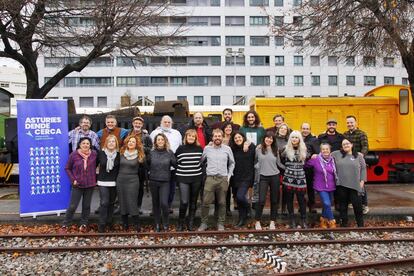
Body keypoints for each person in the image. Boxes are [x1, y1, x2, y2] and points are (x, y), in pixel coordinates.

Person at [198, 129, 235, 231]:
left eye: (219, 136)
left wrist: (229, 176)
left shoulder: (227, 149)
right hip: (210, 178)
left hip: (223, 179)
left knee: (222, 203)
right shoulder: (207, 149)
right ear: (212, 138)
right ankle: (204, 223)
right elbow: (201, 161)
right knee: (205, 202)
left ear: (222, 138)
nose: (217, 138)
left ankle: (220, 224)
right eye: (215, 136)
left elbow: (232, 163)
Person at [62, 137, 98, 232]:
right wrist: (73, 179)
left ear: (90, 145)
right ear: (79, 144)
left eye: (87, 144)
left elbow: (97, 165)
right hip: (77, 184)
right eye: (83, 143)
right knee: (72, 206)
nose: (86, 145)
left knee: (86, 206)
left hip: (90, 184)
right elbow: (67, 168)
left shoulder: (94, 154)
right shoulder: (74, 154)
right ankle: (66, 224)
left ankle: (84, 224)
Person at [150, 115, 182, 213]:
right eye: (165, 122)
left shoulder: (177, 133)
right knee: (156, 190)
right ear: (161, 122)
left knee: (171, 187)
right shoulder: (154, 133)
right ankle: (156, 208)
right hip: (157, 167)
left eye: (169, 122)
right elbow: (151, 147)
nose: (167, 124)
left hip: (172, 165)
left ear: (171, 123)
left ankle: (168, 206)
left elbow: (180, 147)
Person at [332, 139, 367, 227]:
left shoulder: (358, 156)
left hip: (355, 185)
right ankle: (344, 225)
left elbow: (363, 168)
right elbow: (325, 153)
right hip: (341, 185)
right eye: (344, 144)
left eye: (347, 143)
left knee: (357, 206)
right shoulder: (336, 154)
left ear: (351, 144)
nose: (346, 145)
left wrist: (362, 182)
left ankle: (360, 225)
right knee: (343, 206)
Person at [175, 129, 203, 231]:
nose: (191, 138)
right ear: (186, 137)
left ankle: (190, 222)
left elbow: (202, 162)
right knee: (184, 201)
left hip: (196, 178)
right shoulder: (180, 149)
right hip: (183, 177)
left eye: (193, 136)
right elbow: (175, 161)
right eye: (189, 136)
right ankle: (180, 222)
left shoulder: (200, 149)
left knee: (193, 202)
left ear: (195, 138)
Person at [147, 133, 177, 232]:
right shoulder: (151, 153)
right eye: (158, 140)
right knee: (155, 204)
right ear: (155, 142)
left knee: (164, 203)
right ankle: (157, 224)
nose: (160, 141)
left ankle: (165, 223)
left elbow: (175, 164)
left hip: (165, 181)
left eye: (162, 139)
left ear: (165, 141)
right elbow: (146, 165)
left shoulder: (169, 152)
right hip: (153, 180)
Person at [117, 135, 145, 232]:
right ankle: (125, 224)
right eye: (129, 141)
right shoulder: (121, 153)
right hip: (121, 180)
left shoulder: (140, 155)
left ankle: (136, 224)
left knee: (132, 201)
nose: (131, 143)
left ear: (136, 144)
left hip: (133, 180)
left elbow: (144, 169)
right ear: (126, 143)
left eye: (133, 141)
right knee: (122, 201)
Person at [280, 131, 308, 229]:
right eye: (292, 137)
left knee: (301, 200)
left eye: (296, 137)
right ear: (290, 139)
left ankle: (303, 220)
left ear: (299, 139)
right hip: (288, 178)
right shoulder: (285, 149)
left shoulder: (304, 149)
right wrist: (287, 169)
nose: (294, 139)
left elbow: (307, 163)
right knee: (289, 199)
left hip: (300, 177)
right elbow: (280, 162)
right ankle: (291, 219)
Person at [254, 132, 281, 230]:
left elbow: (279, 163)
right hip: (263, 177)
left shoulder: (275, 150)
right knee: (261, 200)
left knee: (274, 200)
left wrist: (287, 169)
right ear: (264, 138)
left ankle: (272, 222)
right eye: (267, 138)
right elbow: (255, 161)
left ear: (273, 140)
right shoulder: (258, 148)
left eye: (271, 138)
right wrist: (257, 167)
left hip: (275, 176)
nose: (269, 140)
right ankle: (257, 221)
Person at [305, 143, 337, 228]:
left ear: (330, 151)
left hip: (331, 186)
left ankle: (323, 220)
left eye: (327, 149)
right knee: (327, 203)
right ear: (320, 150)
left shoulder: (333, 160)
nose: (325, 151)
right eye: (323, 149)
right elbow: (305, 165)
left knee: (327, 204)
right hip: (320, 185)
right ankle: (332, 220)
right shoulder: (316, 159)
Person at [343, 115, 370, 214]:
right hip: (347, 163)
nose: (349, 124)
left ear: (356, 123)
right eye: (348, 123)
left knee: (360, 184)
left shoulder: (361, 134)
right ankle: (351, 202)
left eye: (351, 122)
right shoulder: (345, 134)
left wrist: (361, 155)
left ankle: (364, 205)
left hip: (357, 162)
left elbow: (365, 147)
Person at [127, 116, 153, 214]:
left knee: (139, 187)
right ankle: (129, 206)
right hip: (128, 163)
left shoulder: (146, 136)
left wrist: (139, 148)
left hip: (140, 165)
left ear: (142, 125)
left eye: (139, 123)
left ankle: (138, 206)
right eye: (136, 123)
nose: (137, 125)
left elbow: (150, 149)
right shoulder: (127, 134)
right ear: (133, 124)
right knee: (129, 187)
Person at [230, 131, 255, 228]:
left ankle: (248, 207)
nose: (237, 139)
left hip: (247, 177)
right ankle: (241, 219)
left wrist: (248, 143)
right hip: (235, 177)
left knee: (240, 197)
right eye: (235, 138)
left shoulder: (250, 147)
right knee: (238, 200)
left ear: (243, 137)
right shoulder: (232, 149)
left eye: (239, 137)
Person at [97, 135, 120, 233]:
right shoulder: (101, 154)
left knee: (111, 203)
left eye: (113, 142)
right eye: (109, 141)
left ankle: (109, 222)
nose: (111, 143)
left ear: (116, 144)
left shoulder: (119, 155)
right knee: (104, 202)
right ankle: (102, 223)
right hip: (103, 181)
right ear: (106, 143)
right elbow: (93, 165)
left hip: (114, 182)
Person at [301, 122, 320, 214]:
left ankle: (312, 205)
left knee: (310, 187)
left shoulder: (314, 140)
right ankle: (302, 205)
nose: (305, 130)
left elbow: (318, 153)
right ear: (301, 129)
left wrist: (315, 155)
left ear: (310, 130)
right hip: (299, 168)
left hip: (310, 168)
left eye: (307, 128)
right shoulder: (298, 138)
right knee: (301, 188)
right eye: (303, 128)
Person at [276, 123, 291, 217]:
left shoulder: (289, 140)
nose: (283, 130)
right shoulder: (274, 139)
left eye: (285, 129)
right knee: (276, 189)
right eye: (281, 128)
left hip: (287, 167)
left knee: (286, 189)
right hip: (276, 167)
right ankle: (276, 207)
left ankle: (284, 208)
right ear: (278, 129)